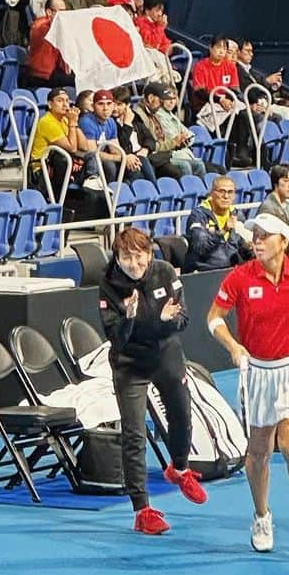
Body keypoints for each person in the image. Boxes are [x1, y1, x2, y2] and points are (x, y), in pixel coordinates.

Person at [207, 213, 289, 552]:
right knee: (259, 452)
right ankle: (262, 516)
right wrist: (233, 346)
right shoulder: (239, 277)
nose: (257, 241)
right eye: (255, 235)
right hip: (258, 373)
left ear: (283, 242)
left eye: (265, 236)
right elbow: (213, 318)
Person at [99, 227, 207, 535]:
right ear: (117, 258)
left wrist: (167, 320)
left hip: (166, 355)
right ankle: (142, 510)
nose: (133, 264)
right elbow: (115, 338)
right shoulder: (108, 284)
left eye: (138, 256)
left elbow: (183, 320)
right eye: (126, 258)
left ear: (149, 255)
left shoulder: (163, 273)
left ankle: (180, 468)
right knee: (134, 434)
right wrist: (130, 318)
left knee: (182, 415)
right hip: (129, 364)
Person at [184, 176, 253, 272]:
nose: (226, 196)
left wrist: (249, 249)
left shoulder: (236, 214)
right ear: (212, 193)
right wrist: (223, 231)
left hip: (231, 271)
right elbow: (201, 247)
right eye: (221, 191)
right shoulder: (199, 216)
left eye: (230, 192)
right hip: (204, 272)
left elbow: (241, 250)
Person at [29, 87, 89, 190]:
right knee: (62, 158)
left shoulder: (66, 119)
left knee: (92, 156)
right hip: (43, 169)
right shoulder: (47, 122)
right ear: (50, 104)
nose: (65, 104)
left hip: (66, 165)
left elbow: (84, 147)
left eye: (67, 101)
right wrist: (72, 123)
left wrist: (75, 122)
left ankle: (91, 183)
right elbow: (72, 148)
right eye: (60, 101)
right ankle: (57, 197)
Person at [23, 0, 74, 87]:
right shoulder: (40, 25)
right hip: (40, 74)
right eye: (61, 12)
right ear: (49, 12)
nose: (64, 15)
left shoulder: (59, 26)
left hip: (54, 70)